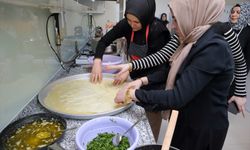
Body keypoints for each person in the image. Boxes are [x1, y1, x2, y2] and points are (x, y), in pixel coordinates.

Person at [114, 0, 233, 149]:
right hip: (185, 118)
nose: (173, 25)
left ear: (193, 15)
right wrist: (142, 81)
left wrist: (133, 94)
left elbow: (177, 97)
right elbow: (174, 70)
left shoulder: (213, 48)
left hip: (203, 128)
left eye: (175, 19)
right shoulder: (192, 39)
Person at [90, 0, 171, 141]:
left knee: (148, 129)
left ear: (146, 18)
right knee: (131, 124)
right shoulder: (127, 24)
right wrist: (97, 60)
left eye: (136, 22)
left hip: (154, 83)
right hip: (134, 80)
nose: (132, 25)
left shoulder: (158, 30)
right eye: (129, 20)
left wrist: (130, 71)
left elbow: (162, 69)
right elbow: (103, 41)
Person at [228, 4, 250, 110]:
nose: (234, 14)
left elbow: (247, 61)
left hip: (233, 76)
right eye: (232, 12)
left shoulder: (248, 32)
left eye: (238, 12)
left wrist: (238, 85)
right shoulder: (224, 27)